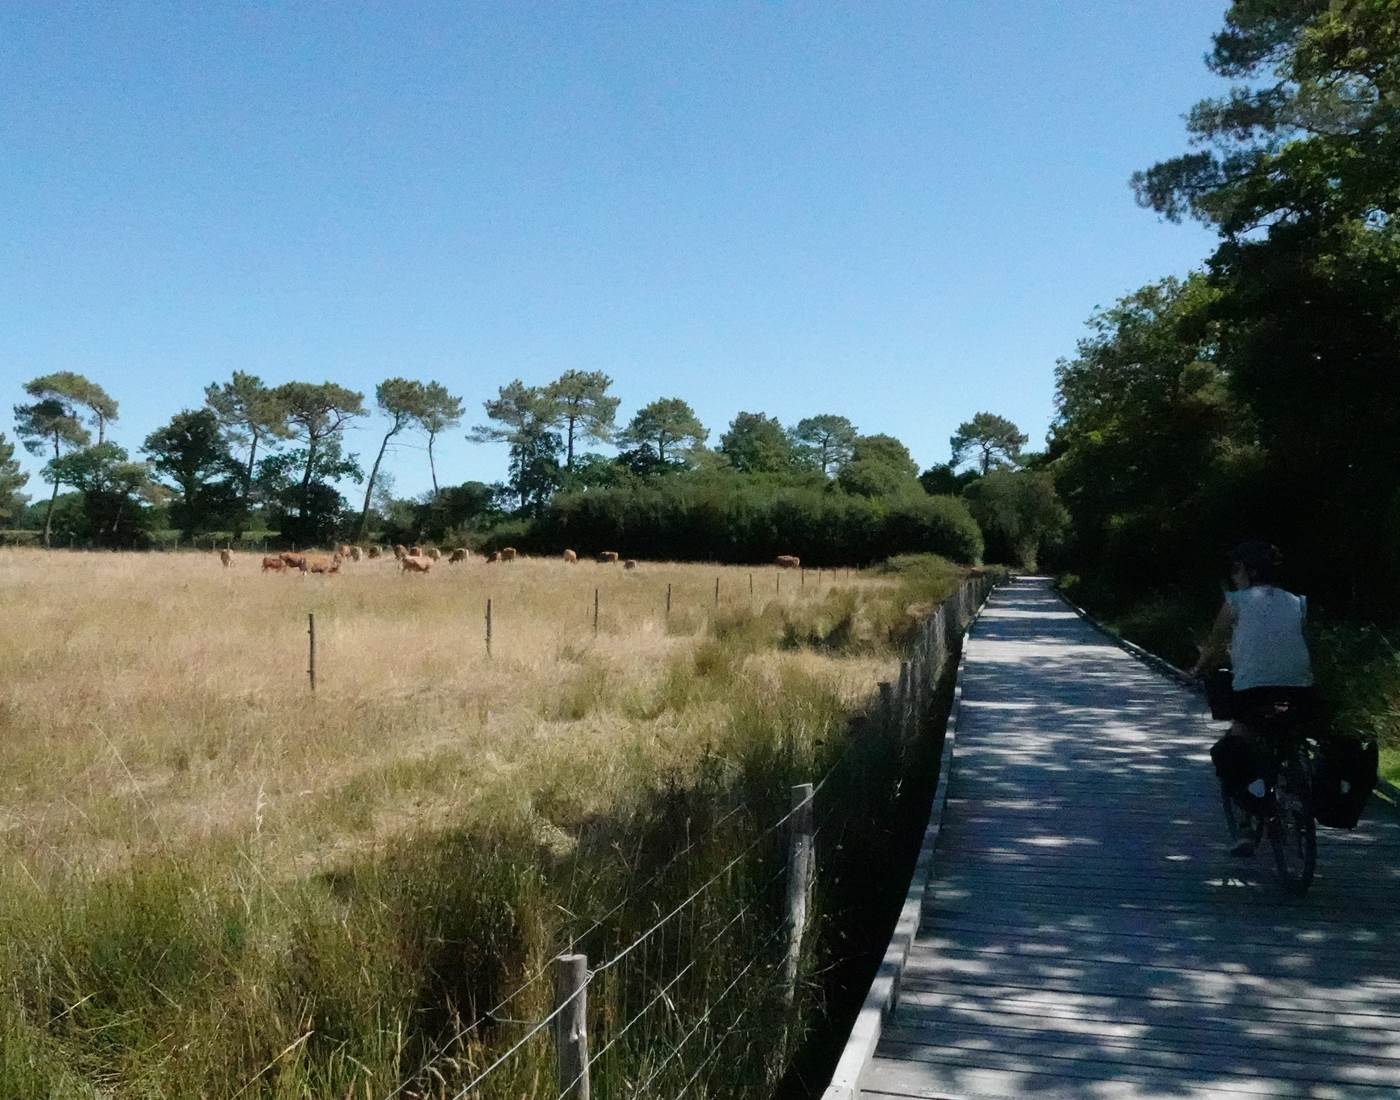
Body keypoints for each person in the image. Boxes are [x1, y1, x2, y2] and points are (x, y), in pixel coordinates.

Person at [1190, 540, 1315, 856]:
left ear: (1250, 571)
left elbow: (1215, 645)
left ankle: (1250, 819)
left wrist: (1197, 669)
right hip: (1299, 691)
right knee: (1287, 734)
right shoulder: (1297, 602)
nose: (1234, 576)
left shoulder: (1236, 601)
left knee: (1234, 747)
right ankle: (1294, 785)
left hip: (1254, 692)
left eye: (1237, 569)